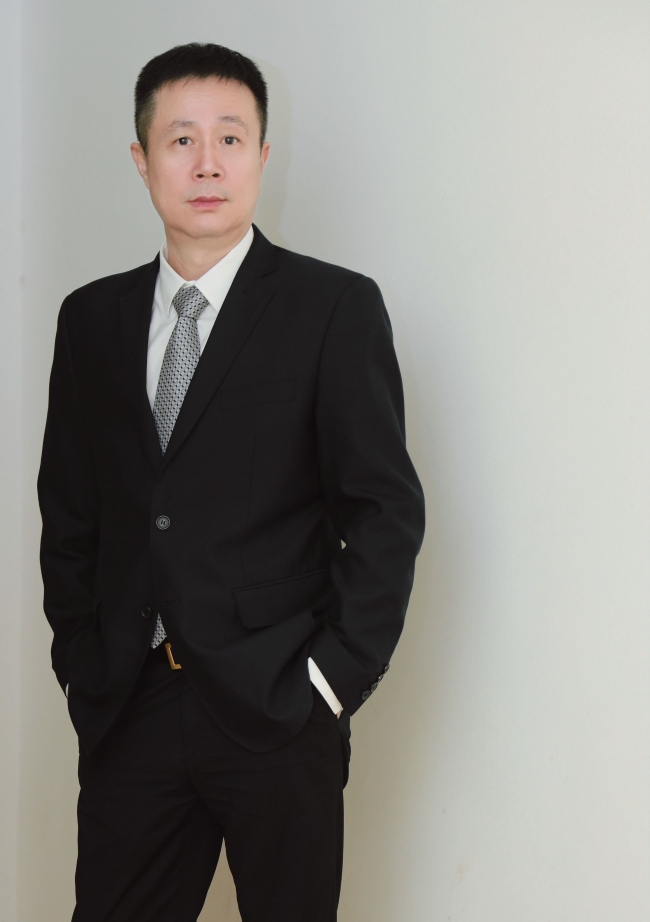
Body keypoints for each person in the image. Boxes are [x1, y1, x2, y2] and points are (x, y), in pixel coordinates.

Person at [38, 42, 425, 922]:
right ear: (142, 160)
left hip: (279, 707)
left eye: (230, 138)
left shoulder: (333, 308)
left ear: (261, 155)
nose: (206, 163)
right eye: (181, 140)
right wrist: (82, 664)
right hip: (131, 704)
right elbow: (69, 511)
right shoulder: (90, 319)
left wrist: (329, 681)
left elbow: (383, 510)